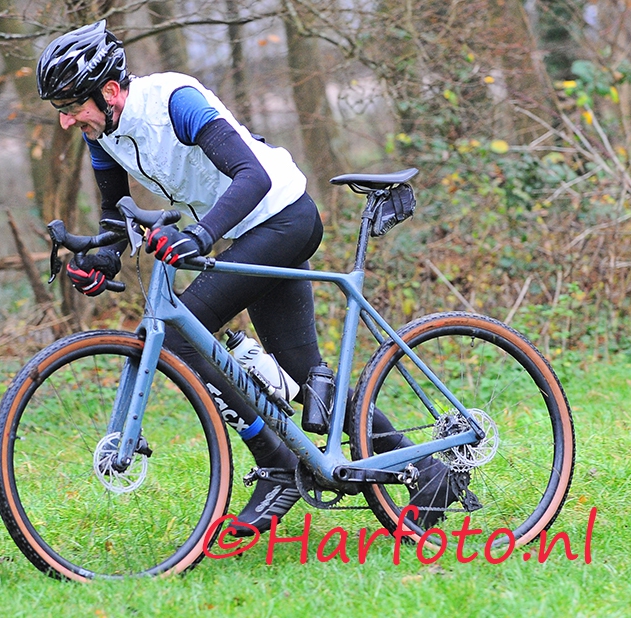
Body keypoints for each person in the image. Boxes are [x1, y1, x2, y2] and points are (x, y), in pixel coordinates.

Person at [35, 20, 456, 535]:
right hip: (246, 232)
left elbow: (252, 176)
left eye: (71, 105)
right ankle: (429, 473)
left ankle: (276, 465)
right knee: (301, 373)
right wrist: (102, 257)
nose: (65, 120)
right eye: (60, 109)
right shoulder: (102, 132)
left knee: (182, 338)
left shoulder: (175, 101)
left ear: (109, 90)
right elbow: (113, 215)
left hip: (284, 217)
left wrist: (201, 236)